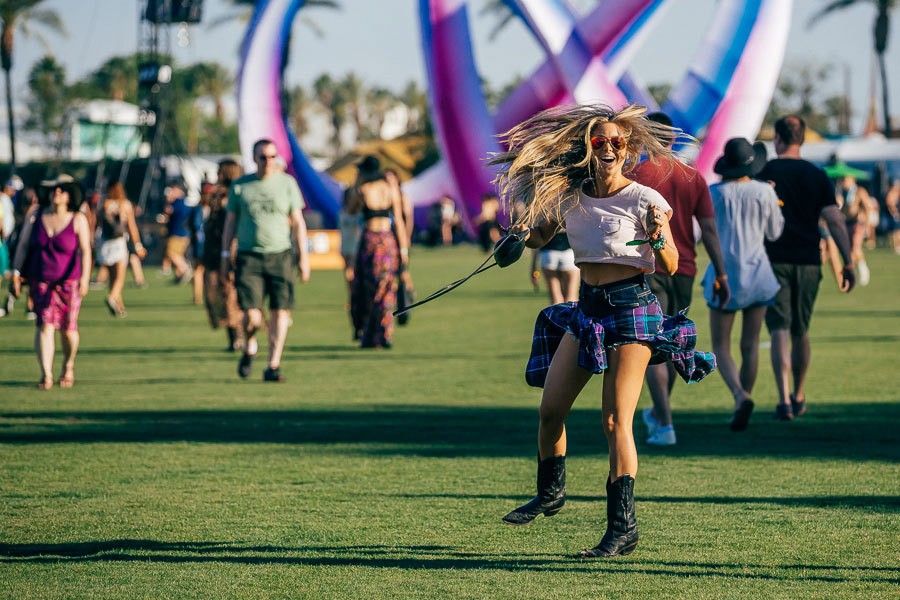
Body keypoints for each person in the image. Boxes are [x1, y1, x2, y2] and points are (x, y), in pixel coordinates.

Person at [490, 103, 716, 558]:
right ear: (588, 148)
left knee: (615, 420)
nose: (609, 147)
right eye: (600, 141)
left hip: (632, 310)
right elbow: (540, 236)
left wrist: (658, 235)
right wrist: (520, 232)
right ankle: (550, 492)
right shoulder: (571, 196)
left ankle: (622, 528)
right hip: (588, 309)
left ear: (627, 150)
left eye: (617, 142)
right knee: (551, 409)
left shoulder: (645, 199)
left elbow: (672, 264)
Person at [630, 111, 729, 446]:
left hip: (648, 267)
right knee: (670, 341)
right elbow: (709, 230)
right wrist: (722, 272)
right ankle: (661, 414)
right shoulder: (692, 176)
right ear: (673, 139)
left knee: (652, 344)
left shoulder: (634, 175)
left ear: (646, 138)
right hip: (684, 268)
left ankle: (665, 422)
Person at [758, 115, 855, 421]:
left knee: (779, 329)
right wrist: (848, 260)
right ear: (801, 139)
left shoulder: (766, 172)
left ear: (778, 139)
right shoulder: (817, 174)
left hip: (774, 260)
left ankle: (783, 398)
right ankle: (799, 395)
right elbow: (835, 219)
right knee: (801, 330)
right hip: (810, 261)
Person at [700, 138, 785, 432]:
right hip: (758, 274)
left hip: (723, 275)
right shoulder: (764, 191)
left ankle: (740, 396)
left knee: (721, 346)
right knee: (750, 345)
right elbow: (774, 233)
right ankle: (743, 397)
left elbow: (703, 233)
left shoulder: (713, 193)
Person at [220, 139, 311, 382]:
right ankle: (250, 345)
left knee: (280, 313)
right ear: (254, 158)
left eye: (272, 157)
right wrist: (225, 254)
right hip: (249, 257)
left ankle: (273, 365)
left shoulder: (287, 184)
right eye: (263, 157)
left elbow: (298, 222)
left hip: (280, 255)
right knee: (252, 316)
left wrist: (303, 258)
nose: (268, 162)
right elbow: (229, 224)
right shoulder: (241, 186)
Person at [9, 175, 92, 389]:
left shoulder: (78, 219)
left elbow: (85, 251)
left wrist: (85, 279)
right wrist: (16, 273)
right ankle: (46, 374)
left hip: (69, 282)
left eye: (62, 189)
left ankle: (68, 364)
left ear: (70, 195)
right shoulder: (36, 215)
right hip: (41, 281)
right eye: (55, 189)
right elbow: (23, 245)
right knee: (45, 325)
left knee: (68, 330)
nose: (57, 192)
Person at [346, 155, 409, 348]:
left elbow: (350, 210)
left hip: (371, 241)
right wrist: (403, 248)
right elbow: (399, 221)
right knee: (386, 288)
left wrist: (357, 184)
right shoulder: (390, 189)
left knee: (368, 289)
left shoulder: (363, 189)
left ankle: (369, 333)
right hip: (388, 241)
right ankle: (385, 333)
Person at [203, 159, 245, 352]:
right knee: (216, 296)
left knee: (230, 295)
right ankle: (233, 335)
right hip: (213, 251)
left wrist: (229, 254)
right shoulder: (216, 194)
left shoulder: (236, 194)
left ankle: (239, 335)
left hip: (229, 252)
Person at [96, 182, 146, 317]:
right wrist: (138, 245)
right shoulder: (125, 204)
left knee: (112, 276)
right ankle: (112, 297)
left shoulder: (103, 203)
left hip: (104, 243)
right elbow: (132, 226)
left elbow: (97, 224)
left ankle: (119, 307)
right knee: (119, 277)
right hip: (118, 242)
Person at [835, 174, 872, 286]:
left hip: (857, 223)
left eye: (845, 180)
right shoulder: (841, 192)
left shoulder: (859, 191)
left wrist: (867, 224)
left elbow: (867, 207)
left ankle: (860, 270)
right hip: (846, 223)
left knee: (855, 247)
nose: (844, 182)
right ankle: (857, 269)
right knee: (849, 248)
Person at [529, 232, 580, 304]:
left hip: (548, 253)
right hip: (568, 253)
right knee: (571, 297)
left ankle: (558, 311)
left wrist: (533, 266)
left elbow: (537, 241)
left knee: (555, 298)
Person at [162, 179, 193, 284]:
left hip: (178, 233)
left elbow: (169, 212)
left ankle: (185, 269)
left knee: (171, 253)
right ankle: (179, 276)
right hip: (181, 232)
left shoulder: (179, 202)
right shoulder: (182, 202)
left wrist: (168, 202)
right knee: (177, 254)